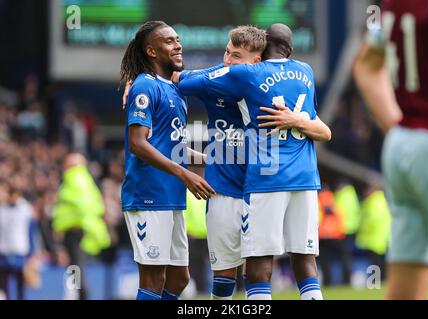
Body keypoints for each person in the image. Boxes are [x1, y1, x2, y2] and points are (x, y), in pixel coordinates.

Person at [124, 25, 331, 300]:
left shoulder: (252, 80)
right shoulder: (221, 82)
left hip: (260, 187)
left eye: (236, 56)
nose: (227, 61)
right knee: (225, 275)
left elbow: (325, 131)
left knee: (255, 269)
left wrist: (297, 121)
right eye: (227, 52)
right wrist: (140, 80)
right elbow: (176, 77)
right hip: (224, 188)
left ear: (257, 61)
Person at [353, 0, 428, 299]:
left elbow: (367, 65)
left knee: (407, 283)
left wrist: (397, 125)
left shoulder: (395, 3)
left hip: (402, 146)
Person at [120, 20, 215, 300]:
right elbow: (138, 144)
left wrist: (214, 161)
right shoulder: (143, 87)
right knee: (152, 278)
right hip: (147, 194)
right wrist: (184, 174)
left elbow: (174, 147)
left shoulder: (174, 90)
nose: (178, 45)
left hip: (170, 196)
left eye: (178, 40)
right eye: (170, 41)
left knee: (179, 277)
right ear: (151, 51)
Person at [52, 153, 110, 300]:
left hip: (76, 231)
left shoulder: (76, 178)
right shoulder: (84, 179)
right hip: (79, 231)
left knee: (76, 270)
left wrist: (61, 226)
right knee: (76, 269)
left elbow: (82, 207)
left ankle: (80, 297)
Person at [317, 187, 350, 286]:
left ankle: (328, 282)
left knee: (325, 261)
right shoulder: (335, 199)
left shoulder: (317, 200)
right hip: (336, 235)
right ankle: (347, 281)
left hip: (323, 235)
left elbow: (317, 217)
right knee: (344, 258)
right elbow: (341, 216)